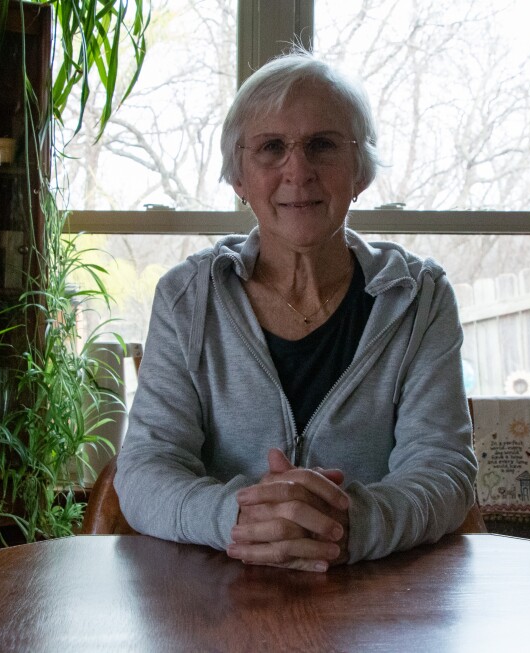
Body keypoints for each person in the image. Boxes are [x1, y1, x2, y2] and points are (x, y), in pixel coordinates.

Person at [115, 47, 477, 572]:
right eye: (271, 148)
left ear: (360, 170)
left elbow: (443, 469)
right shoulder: (186, 297)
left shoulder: (420, 298)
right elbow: (146, 468)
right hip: (218, 597)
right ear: (239, 177)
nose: (298, 170)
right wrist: (239, 518)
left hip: (376, 598)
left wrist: (352, 524)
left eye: (322, 145)